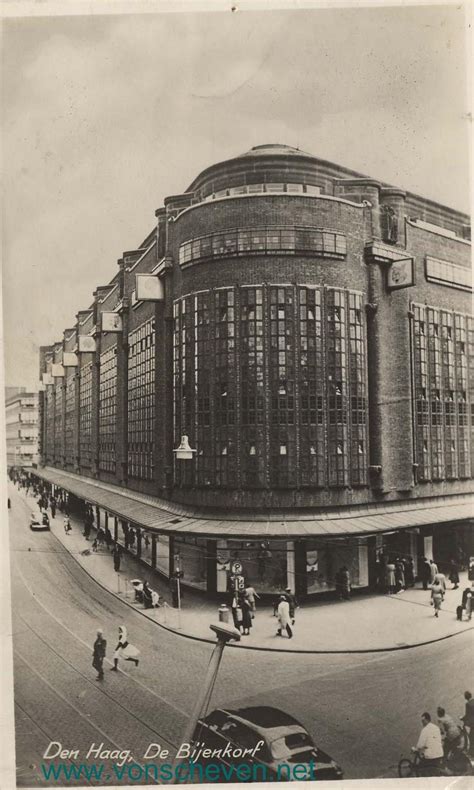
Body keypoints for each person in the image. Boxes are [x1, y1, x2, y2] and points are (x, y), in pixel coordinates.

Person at [412, 712, 443, 776]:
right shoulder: (436, 728)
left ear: (427, 720)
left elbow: (420, 745)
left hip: (430, 757)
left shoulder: (425, 730)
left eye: (423, 721)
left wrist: (415, 749)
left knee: (421, 769)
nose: (422, 723)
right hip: (439, 754)